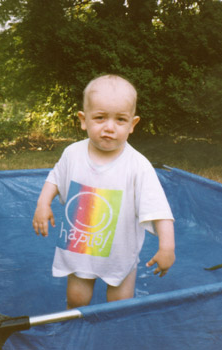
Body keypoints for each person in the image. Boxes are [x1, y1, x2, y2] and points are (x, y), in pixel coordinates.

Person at [33, 74, 175, 309]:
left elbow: (160, 209)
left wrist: (167, 247)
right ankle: (77, 334)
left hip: (119, 252)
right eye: (100, 118)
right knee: (77, 300)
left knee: (119, 304)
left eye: (120, 120)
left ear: (132, 124)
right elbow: (55, 179)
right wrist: (43, 204)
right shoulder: (72, 153)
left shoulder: (137, 166)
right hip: (80, 244)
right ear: (83, 119)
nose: (109, 128)